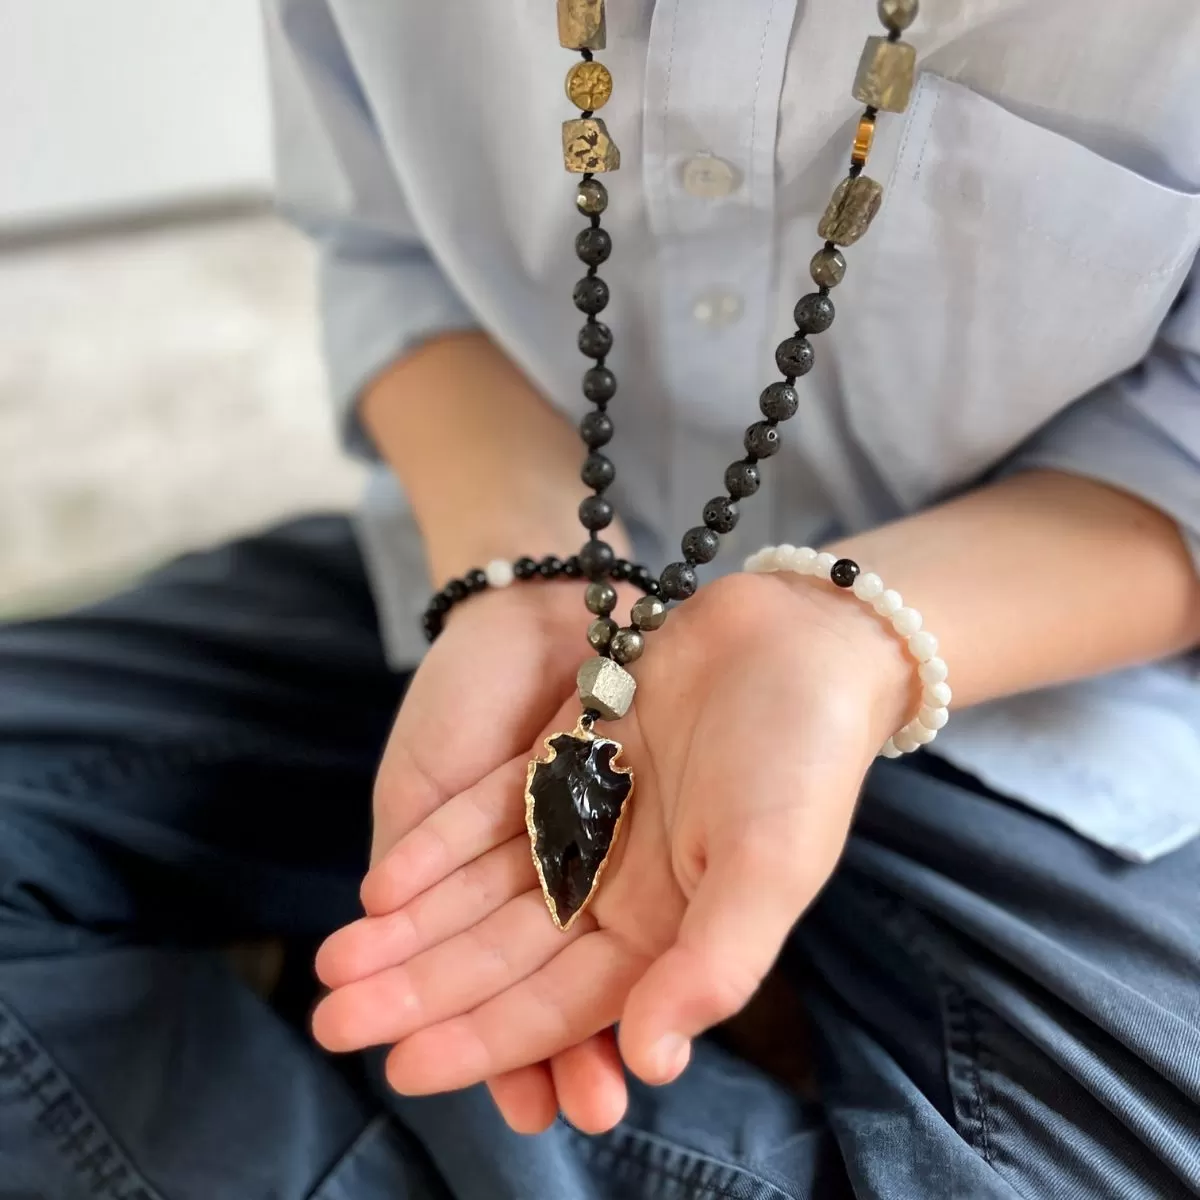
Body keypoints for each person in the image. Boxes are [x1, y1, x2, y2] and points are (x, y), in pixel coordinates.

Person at [3, 0, 1199, 1196]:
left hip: (1052, 696)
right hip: (483, 604)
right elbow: (385, 239)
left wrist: (849, 637)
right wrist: (527, 570)